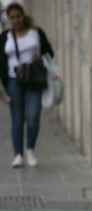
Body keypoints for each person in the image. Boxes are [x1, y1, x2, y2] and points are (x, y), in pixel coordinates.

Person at [0, 2, 54, 168]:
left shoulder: (36, 33)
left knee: (33, 116)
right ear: (8, 19)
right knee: (17, 118)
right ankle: (18, 155)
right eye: (12, 18)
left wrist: (40, 57)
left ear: (23, 16)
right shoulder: (4, 37)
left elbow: (50, 52)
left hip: (34, 79)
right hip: (13, 81)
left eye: (18, 16)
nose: (16, 20)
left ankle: (30, 149)